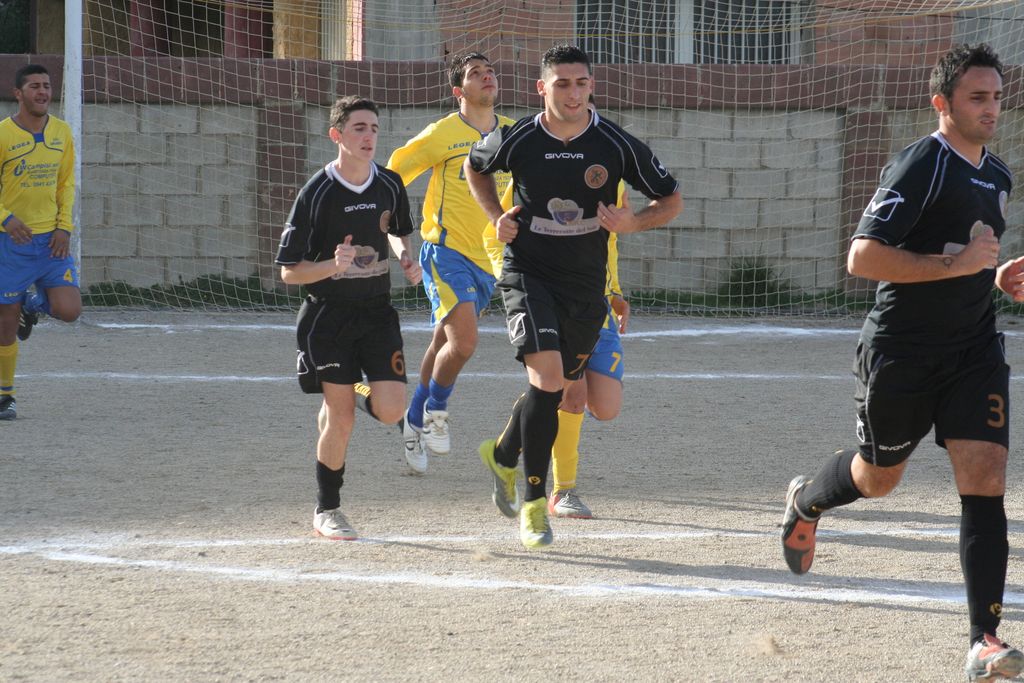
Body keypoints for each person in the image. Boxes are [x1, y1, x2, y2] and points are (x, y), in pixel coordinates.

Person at [779, 44, 1024, 681]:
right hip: (902, 352)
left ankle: (983, 640)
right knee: (879, 477)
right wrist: (954, 265)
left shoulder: (997, 174)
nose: (991, 108)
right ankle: (806, 502)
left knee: (986, 475)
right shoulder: (922, 164)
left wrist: (994, 276)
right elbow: (862, 256)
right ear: (942, 103)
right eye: (977, 97)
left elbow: (963, 258)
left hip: (973, 350)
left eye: (997, 97)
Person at [465, 44, 681, 549]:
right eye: (561, 83)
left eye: (581, 83)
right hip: (527, 273)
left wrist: (633, 222)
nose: (573, 93)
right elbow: (476, 168)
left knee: (559, 390)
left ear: (591, 86)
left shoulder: (615, 143)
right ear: (542, 88)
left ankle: (503, 454)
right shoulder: (517, 136)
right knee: (547, 382)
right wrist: (496, 216)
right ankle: (535, 505)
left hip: (585, 285)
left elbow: (671, 199)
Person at [275, 95, 422, 540]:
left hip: (377, 312)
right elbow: (288, 272)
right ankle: (328, 509)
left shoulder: (390, 183)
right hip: (328, 317)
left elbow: (398, 231)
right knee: (340, 418)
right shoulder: (316, 193)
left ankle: (353, 388)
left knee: (392, 410)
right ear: (336, 135)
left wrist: (406, 257)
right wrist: (331, 266)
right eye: (359, 128)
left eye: (374, 128)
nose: (369, 136)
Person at [383, 52, 514, 473]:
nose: (487, 76)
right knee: (465, 342)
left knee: (444, 343)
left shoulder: (513, 133)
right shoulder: (443, 133)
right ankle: (436, 412)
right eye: (476, 73)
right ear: (459, 90)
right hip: (445, 253)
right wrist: (395, 239)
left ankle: (412, 419)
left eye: (490, 71)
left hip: (488, 261)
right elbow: (390, 179)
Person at [0, 64, 82, 421]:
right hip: (11, 243)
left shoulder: (61, 132)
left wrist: (64, 227)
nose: (43, 92)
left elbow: (66, 182)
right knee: (5, 323)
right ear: (18, 93)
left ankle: (32, 305)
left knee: (70, 310)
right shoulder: (3, 134)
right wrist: (6, 218)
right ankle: (6, 395)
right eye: (34, 86)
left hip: (51, 242)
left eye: (47, 85)